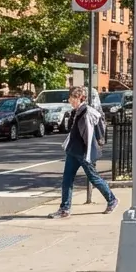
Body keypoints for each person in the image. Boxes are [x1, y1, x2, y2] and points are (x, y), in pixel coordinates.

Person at [49, 86, 117, 219]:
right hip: (73, 151)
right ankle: (65, 209)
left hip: (83, 152)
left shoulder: (87, 112)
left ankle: (112, 199)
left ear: (80, 98)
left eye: (73, 98)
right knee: (67, 180)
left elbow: (91, 133)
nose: (70, 100)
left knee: (94, 178)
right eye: (70, 98)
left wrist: (91, 151)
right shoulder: (76, 111)